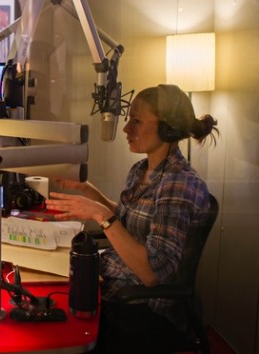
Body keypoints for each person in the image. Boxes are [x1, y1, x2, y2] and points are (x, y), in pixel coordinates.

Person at [45, 84, 219, 353]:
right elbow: (130, 221)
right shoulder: (142, 170)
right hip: (115, 283)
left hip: (145, 309)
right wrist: (91, 192)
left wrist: (99, 213)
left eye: (136, 121)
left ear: (167, 127)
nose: (126, 129)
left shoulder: (178, 184)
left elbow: (151, 274)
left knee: (55, 331)